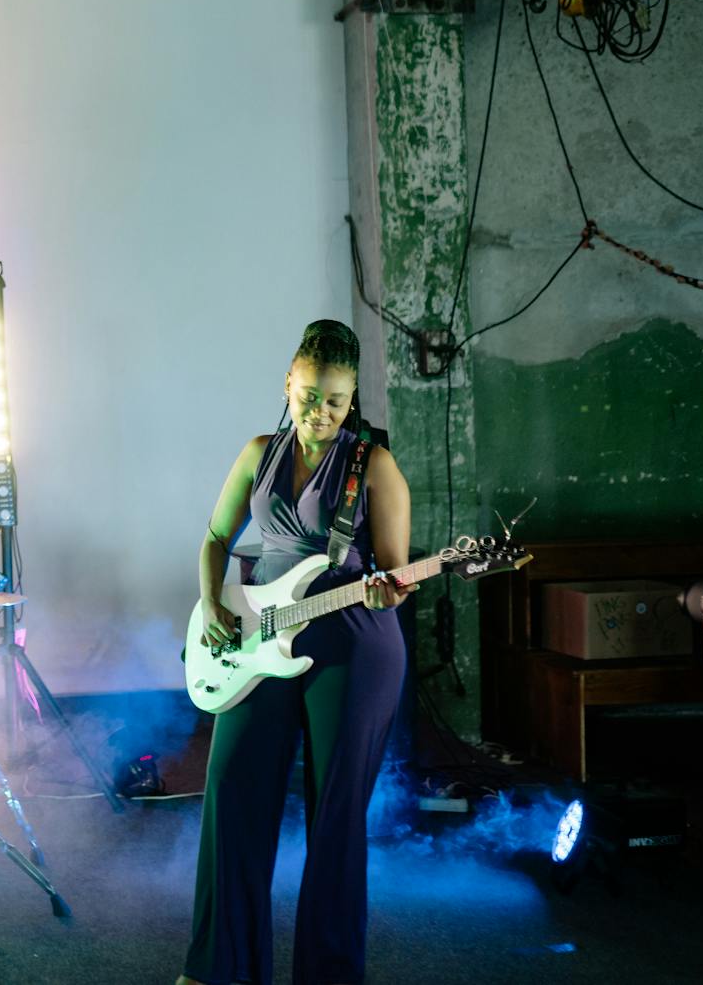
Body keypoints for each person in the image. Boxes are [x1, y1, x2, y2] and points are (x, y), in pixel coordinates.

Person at [179, 321, 417, 985]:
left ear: (352, 400)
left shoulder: (376, 466)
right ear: (289, 380)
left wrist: (386, 590)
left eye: (336, 401)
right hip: (262, 638)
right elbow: (216, 537)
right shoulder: (260, 451)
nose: (321, 412)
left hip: (352, 643)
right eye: (311, 395)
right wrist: (215, 602)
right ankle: (217, 968)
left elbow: (395, 575)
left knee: (335, 817)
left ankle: (329, 975)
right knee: (229, 788)